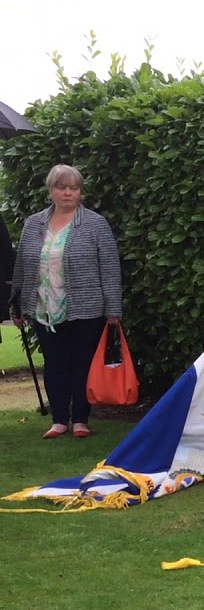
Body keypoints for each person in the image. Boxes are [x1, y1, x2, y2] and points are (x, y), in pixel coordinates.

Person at [10, 164, 122, 439]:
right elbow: (22, 266)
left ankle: (81, 419)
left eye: (74, 188)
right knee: (54, 364)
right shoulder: (33, 224)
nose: (68, 193)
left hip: (87, 308)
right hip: (44, 307)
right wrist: (17, 303)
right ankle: (59, 420)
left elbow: (110, 268)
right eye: (61, 187)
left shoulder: (96, 224)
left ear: (80, 192)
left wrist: (113, 309)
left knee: (82, 365)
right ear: (51, 191)